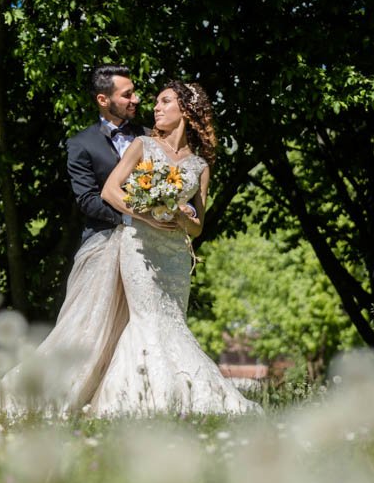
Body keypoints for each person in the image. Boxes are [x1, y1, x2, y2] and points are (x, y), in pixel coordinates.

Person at [0, 65, 163, 417]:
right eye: (127, 94)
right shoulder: (82, 144)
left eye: (134, 92)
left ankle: (131, 396)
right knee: (87, 328)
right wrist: (133, 216)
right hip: (102, 245)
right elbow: (87, 200)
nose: (135, 99)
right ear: (103, 99)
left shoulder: (149, 136)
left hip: (146, 248)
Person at [86, 81, 260, 415]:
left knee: (172, 323)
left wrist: (182, 216)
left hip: (176, 258)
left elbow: (197, 228)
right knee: (147, 321)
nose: (156, 107)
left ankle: (185, 396)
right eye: (155, 103)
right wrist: (147, 216)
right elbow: (110, 191)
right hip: (139, 249)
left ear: (186, 109)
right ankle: (137, 400)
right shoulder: (143, 146)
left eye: (165, 101)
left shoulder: (199, 167)